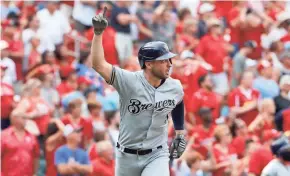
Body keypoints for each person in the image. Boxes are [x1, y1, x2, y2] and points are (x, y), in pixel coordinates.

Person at [90, 9, 187, 176]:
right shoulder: (128, 81)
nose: (170, 64)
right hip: (127, 156)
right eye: (164, 60)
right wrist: (98, 34)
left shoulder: (174, 86)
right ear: (148, 64)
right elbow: (98, 64)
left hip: (158, 153)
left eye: (169, 59)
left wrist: (180, 131)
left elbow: (178, 101)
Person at [1, 110, 40, 176]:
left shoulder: (32, 136)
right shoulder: (4, 136)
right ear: (14, 118)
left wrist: (34, 173)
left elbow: (36, 156)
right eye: (23, 118)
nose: (26, 120)